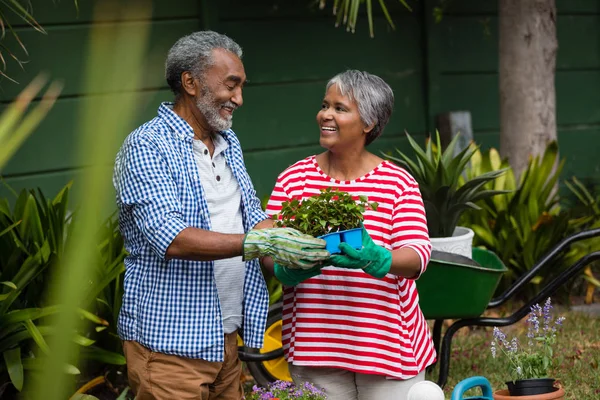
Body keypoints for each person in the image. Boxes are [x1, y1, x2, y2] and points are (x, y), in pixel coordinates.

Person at [112, 31, 329, 400]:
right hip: (170, 346)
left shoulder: (228, 142)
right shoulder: (147, 146)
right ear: (190, 82)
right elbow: (172, 237)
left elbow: (252, 216)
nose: (239, 99)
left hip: (226, 338)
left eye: (242, 86)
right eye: (231, 85)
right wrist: (259, 241)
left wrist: (289, 248)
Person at [265, 70, 436, 399]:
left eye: (340, 108)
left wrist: (380, 257)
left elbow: (417, 255)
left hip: (386, 345)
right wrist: (284, 266)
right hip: (316, 346)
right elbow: (268, 247)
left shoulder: (397, 183)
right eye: (325, 105)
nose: (325, 115)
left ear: (368, 123)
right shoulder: (294, 180)